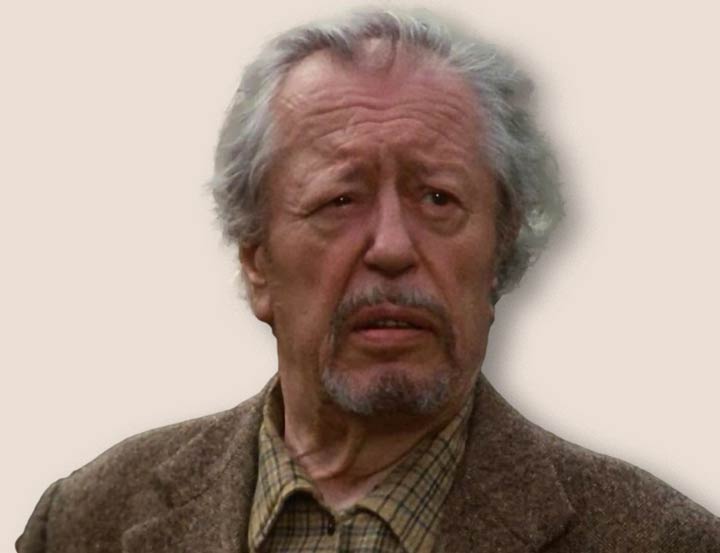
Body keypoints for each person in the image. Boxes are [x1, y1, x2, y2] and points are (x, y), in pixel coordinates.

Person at [17, 8, 720, 553]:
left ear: (501, 250)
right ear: (256, 260)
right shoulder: (87, 521)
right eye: (340, 200)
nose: (391, 247)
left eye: (438, 198)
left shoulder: (661, 540)